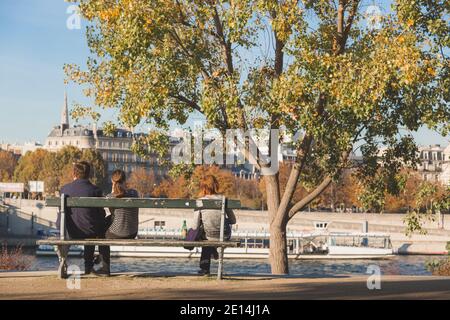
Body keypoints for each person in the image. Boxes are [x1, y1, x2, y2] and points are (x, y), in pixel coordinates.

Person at [58, 161, 110, 276]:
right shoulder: (95, 190)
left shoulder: (64, 189)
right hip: (89, 231)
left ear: (74, 173)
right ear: (89, 174)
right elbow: (101, 214)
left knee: (85, 225)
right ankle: (89, 267)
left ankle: (64, 263)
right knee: (93, 227)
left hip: (69, 231)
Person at [191, 175, 236, 275]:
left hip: (209, 236)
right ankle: (213, 249)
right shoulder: (224, 199)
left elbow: (195, 226)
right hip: (224, 236)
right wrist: (223, 220)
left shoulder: (200, 202)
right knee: (209, 237)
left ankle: (204, 269)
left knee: (205, 240)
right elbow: (233, 220)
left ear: (202, 187)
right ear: (216, 185)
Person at [105, 169, 139, 239]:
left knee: (101, 233)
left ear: (112, 181)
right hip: (132, 233)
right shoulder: (134, 193)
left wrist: (112, 192)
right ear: (125, 180)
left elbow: (112, 213)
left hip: (116, 233)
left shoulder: (110, 196)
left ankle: (104, 250)